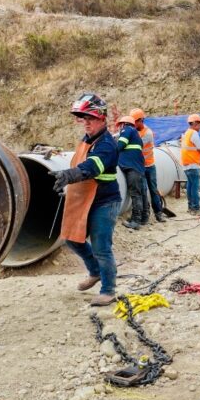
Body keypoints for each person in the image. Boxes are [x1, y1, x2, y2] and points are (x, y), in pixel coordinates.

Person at [52, 93, 121, 306]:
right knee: (72, 238)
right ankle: (95, 271)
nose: (86, 122)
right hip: (84, 199)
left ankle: (108, 290)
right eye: (83, 118)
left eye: (90, 118)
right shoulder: (87, 140)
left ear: (102, 119)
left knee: (101, 246)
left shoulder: (107, 144)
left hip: (104, 202)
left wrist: (70, 175)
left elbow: (92, 167)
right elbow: (80, 161)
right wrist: (69, 184)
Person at [131, 108, 166, 222]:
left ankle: (158, 213)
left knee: (153, 190)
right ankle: (145, 215)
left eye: (135, 121)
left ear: (141, 120)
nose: (134, 124)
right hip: (140, 167)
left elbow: (137, 144)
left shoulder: (148, 133)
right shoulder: (133, 131)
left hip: (149, 166)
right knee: (142, 191)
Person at [115, 114, 149, 229]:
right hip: (137, 167)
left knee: (135, 194)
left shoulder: (127, 129)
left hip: (132, 168)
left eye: (120, 125)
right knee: (141, 193)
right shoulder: (136, 134)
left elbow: (120, 145)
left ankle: (136, 221)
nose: (119, 128)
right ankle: (144, 217)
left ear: (123, 124)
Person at [179, 113, 200, 216]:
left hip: (186, 164)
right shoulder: (193, 133)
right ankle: (196, 209)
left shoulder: (186, 133)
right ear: (194, 123)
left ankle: (190, 208)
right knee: (195, 186)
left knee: (190, 186)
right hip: (193, 163)